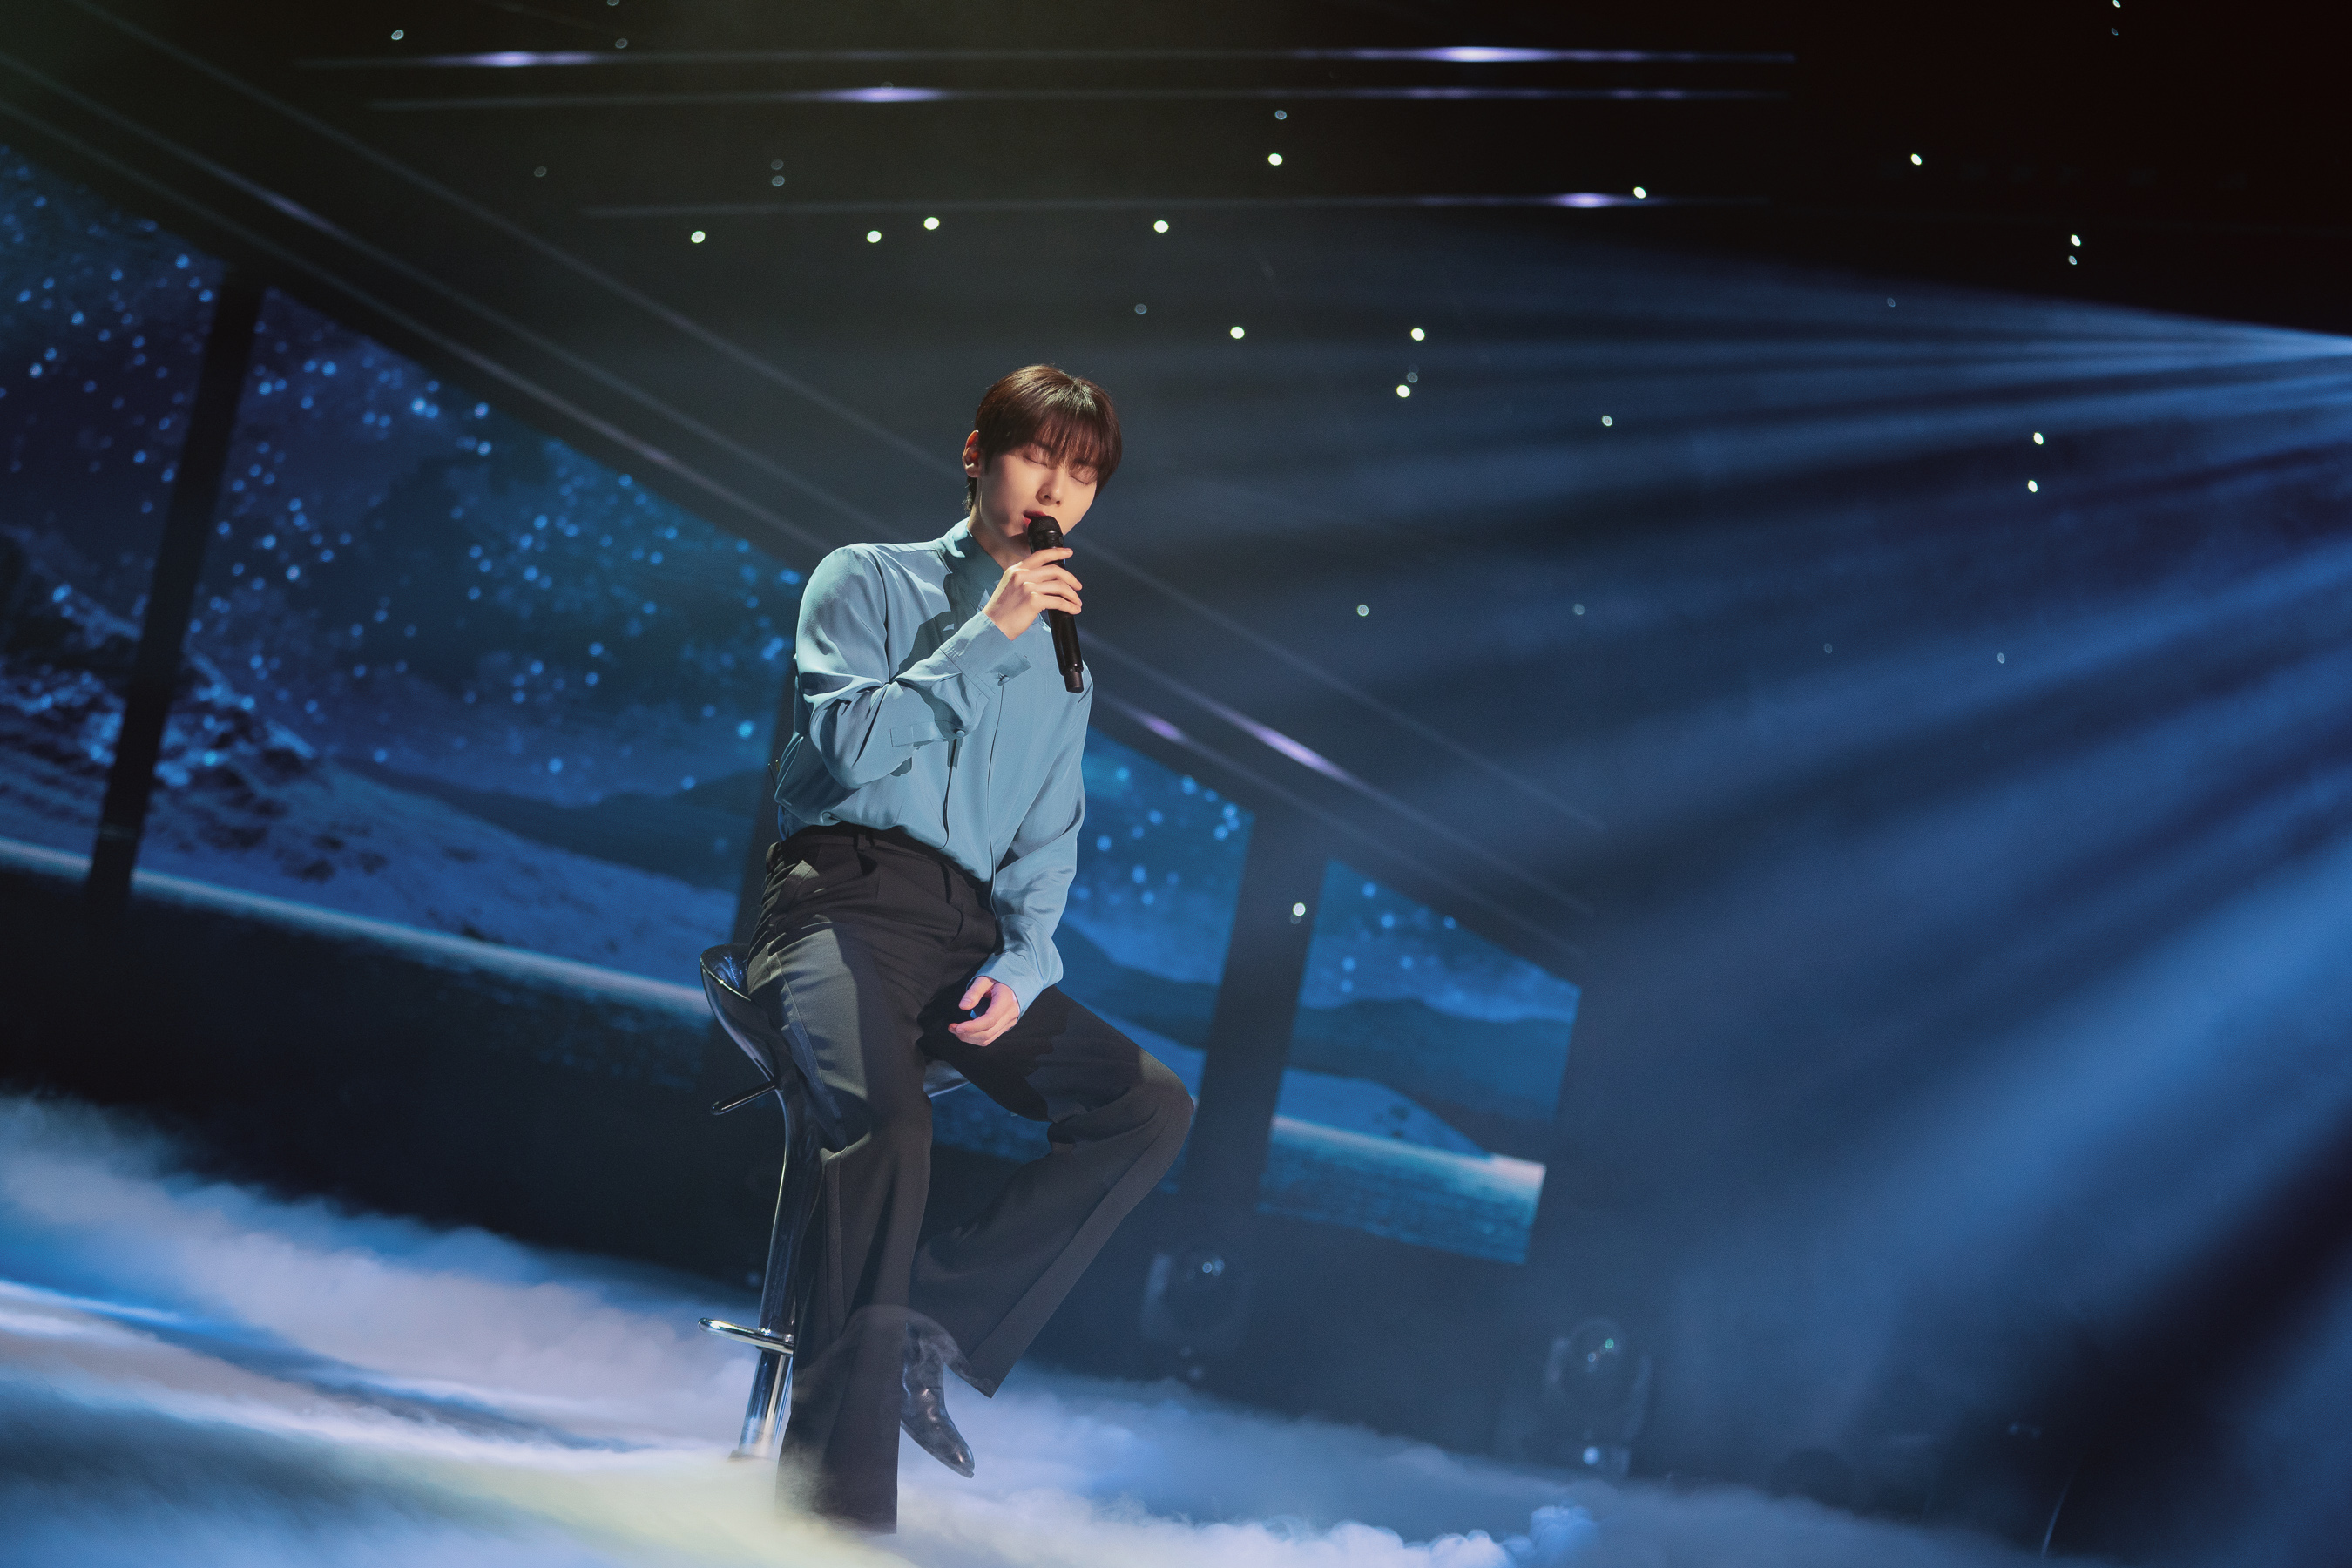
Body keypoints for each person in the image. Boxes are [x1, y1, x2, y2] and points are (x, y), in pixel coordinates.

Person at [747, 363, 1194, 1531]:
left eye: (1081, 475)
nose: (1055, 490)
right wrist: (989, 635)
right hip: (835, 902)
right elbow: (847, 748)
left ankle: (926, 1329)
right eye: (1037, 457)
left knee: (1147, 1105)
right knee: (892, 1131)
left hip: (967, 939)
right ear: (976, 456)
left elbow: (1048, 844)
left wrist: (1026, 961)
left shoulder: (1066, 663)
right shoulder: (867, 577)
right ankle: (832, 1517)